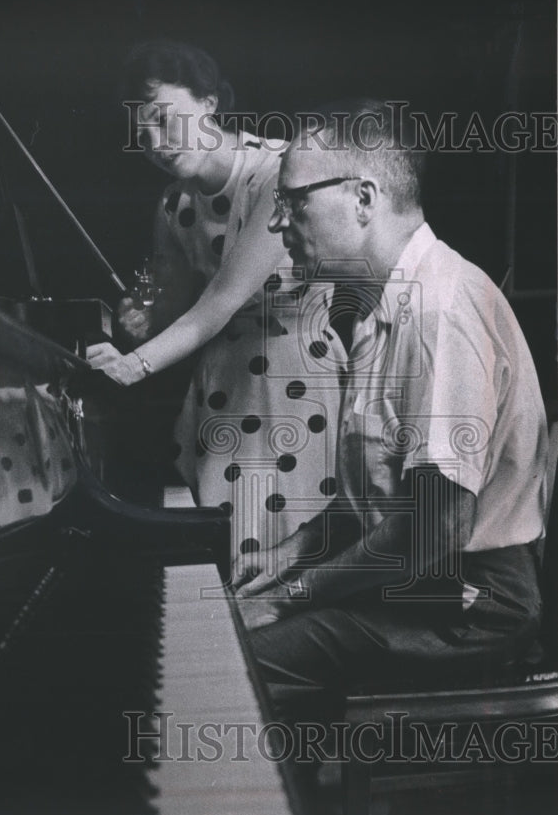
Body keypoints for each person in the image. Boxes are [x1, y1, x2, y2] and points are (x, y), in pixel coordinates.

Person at [234, 98, 548, 705]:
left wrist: (284, 597)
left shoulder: (440, 312)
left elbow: (430, 537)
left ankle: (294, 799)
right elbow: (376, 504)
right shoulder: (383, 307)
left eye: (294, 201)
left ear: (363, 198)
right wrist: (279, 561)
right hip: (421, 582)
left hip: (469, 603)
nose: (277, 225)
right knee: (240, 636)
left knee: (237, 672)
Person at [87, 42, 345, 560]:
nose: (157, 144)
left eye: (165, 119)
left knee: (281, 550)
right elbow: (174, 307)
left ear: (208, 103)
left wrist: (135, 364)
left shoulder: (278, 172)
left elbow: (220, 300)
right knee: (223, 550)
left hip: (290, 380)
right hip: (220, 386)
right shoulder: (174, 202)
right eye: (143, 135)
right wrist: (140, 318)